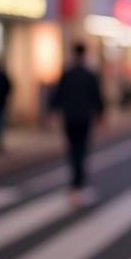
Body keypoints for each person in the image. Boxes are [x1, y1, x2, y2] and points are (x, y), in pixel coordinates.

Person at [50, 43, 104, 206]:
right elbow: (97, 97)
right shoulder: (89, 75)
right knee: (81, 151)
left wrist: (52, 111)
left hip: (69, 117)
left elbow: (58, 94)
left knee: (73, 150)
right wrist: (100, 115)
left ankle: (75, 184)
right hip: (84, 118)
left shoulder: (67, 74)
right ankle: (78, 185)